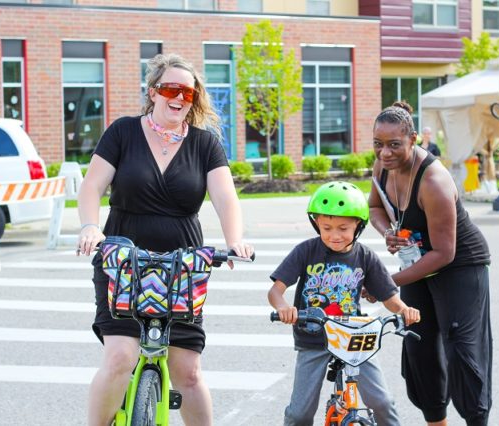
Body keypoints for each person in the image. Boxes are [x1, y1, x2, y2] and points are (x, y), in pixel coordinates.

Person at [76, 53, 253, 426]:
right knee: (120, 357)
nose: (180, 97)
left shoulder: (205, 144)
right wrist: (91, 227)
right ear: (154, 92)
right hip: (121, 261)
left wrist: (235, 240)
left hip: (182, 265)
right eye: (172, 88)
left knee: (187, 371)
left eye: (188, 92)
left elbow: (225, 198)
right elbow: (92, 186)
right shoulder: (123, 132)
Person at [368, 101, 492, 426]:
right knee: (418, 344)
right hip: (420, 261)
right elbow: (375, 209)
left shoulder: (433, 181)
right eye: (378, 144)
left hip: (459, 265)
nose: (384, 153)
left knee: (461, 351)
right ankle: (436, 422)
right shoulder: (382, 167)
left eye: (394, 144)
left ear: (413, 140)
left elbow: (444, 253)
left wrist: (387, 280)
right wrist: (389, 233)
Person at [268, 181, 420, 426]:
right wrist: (283, 307)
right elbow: (276, 291)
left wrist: (404, 311)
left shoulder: (365, 257)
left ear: (358, 226)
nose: (334, 235)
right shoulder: (305, 251)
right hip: (313, 336)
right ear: (316, 222)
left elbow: (389, 298)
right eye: (326, 227)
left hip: (354, 338)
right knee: (299, 414)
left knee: (383, 403)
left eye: (343, 228)